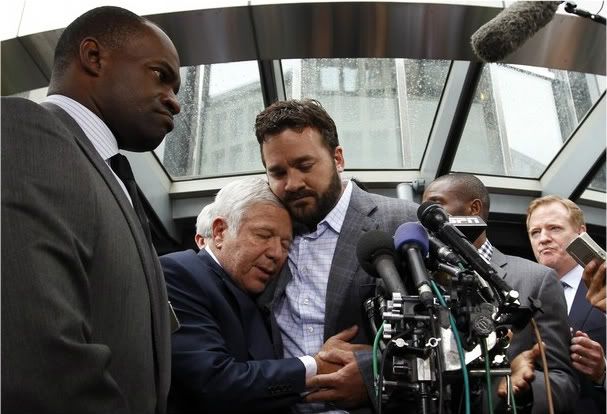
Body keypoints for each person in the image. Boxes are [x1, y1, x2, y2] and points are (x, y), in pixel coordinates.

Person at [1, 6, 181, 414]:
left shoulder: (117, 180)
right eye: (160, 75)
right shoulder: (24, 129)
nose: (175, 103)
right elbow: (38, 355)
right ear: (94, 57)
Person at [254, 98, 419, 413]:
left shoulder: (403, 222)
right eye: (277, 172)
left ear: (338, 158)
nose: (293, 184)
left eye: (305, 165)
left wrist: (376, 375)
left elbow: (456, 334)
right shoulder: (264, 232)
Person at [162, 177, 362, 413]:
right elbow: (213, 382)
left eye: (286, 244)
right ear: (219, 232)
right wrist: (316, 365)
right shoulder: (180, 273)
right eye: (263, 236)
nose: (277, 254)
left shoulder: (258, 298)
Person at [422, 173, 577, 413]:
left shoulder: (536, 279)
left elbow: (562, 381)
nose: (425, 218)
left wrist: (521, 390)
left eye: (435, 206)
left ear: (474, 209)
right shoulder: (420, 281)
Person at [526, 195, 606, 414]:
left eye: (554, 228)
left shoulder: (604, 284)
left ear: (581, 233)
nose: (543, 238)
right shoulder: (519, 292)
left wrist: (603, 373)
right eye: (535, 232)